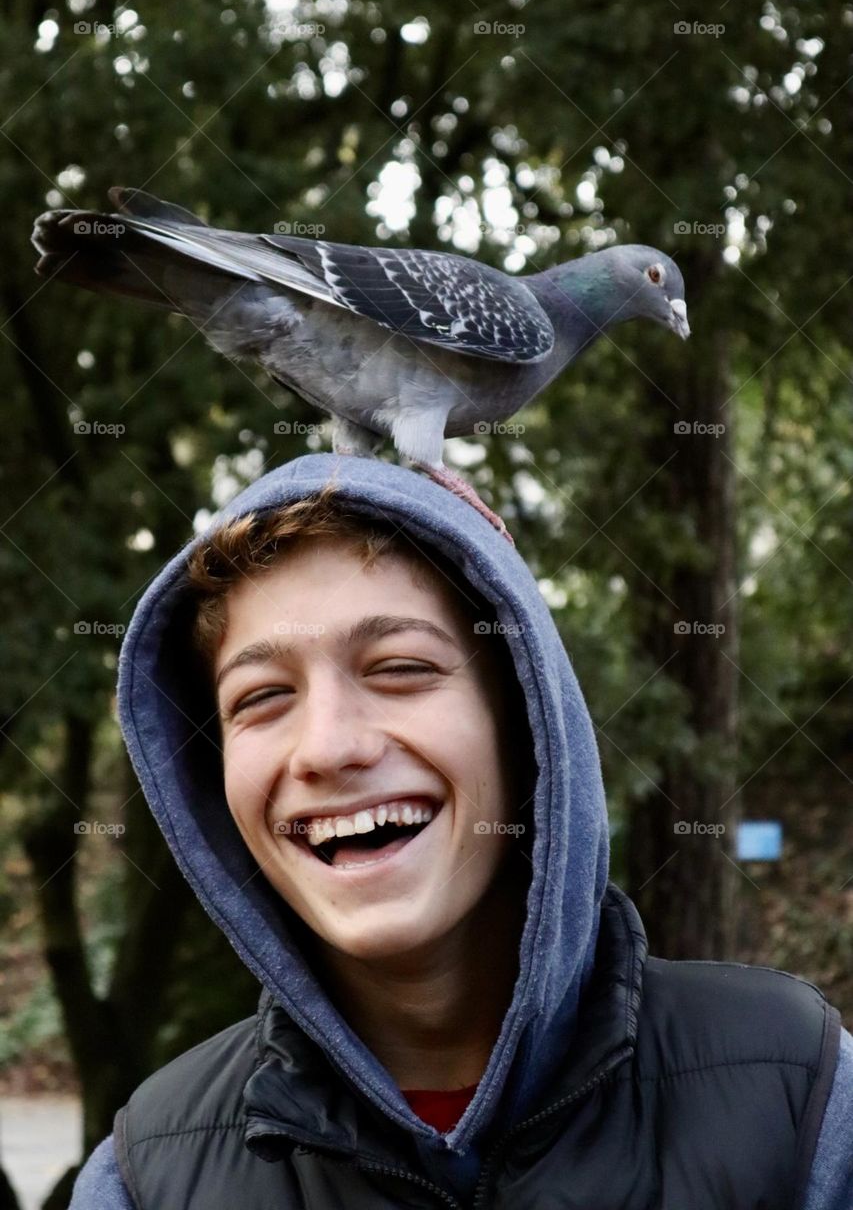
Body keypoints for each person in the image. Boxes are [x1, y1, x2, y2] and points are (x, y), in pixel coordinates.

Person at [69, 452, 852, 1209]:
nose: (330, 747)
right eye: (262, 696)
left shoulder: (801, 1100)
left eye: (400, 668)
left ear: (523, 719)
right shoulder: (146, 1180)